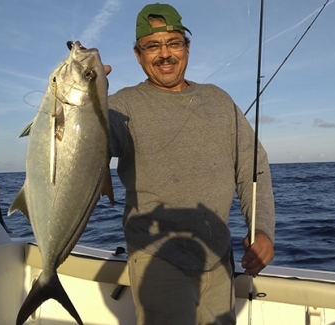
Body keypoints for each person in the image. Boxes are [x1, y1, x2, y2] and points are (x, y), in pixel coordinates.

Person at [104, 3, 275, 324]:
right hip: (158, 260)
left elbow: (254, 167)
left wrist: (262, 229)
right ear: (138, 55)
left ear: (187, 48)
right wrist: (88, 100)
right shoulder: (120, 107)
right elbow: (90, 145)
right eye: (152, 46)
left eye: (174, 43)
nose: (165, 54)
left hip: (220, 260)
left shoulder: (220, 100)